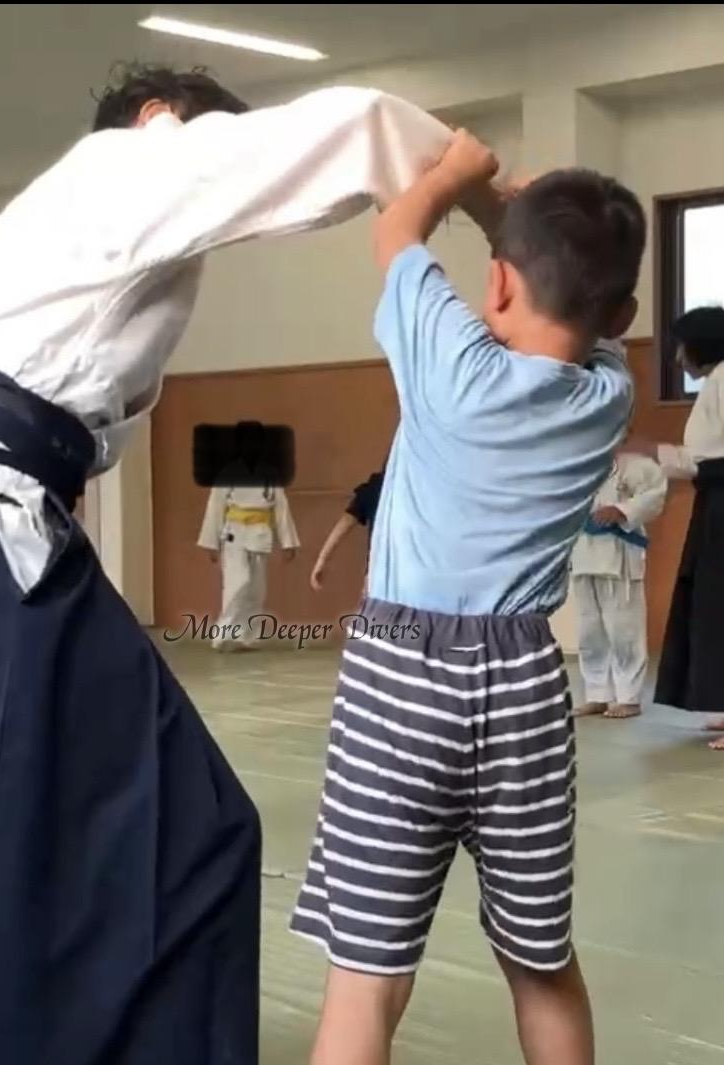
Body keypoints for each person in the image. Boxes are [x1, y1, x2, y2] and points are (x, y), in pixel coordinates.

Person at [0, 65, 457, 1065]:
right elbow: (347, 129)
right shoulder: (124, 166)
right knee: (189, 832)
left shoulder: (28, 247)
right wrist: (472, 180)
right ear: (158, 119)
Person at [291, 136, 645, 1065]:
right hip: (525, 682)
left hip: (399, 679)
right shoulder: (608, 394)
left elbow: (398, 231)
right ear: (623, 313)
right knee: (540, 958)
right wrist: (503, 212)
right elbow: (564, 302)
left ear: (494, 284)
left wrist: (457, 175)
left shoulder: (451, 364)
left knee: (367, 976)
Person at [625, 306, 724, 749]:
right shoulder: (717, 381)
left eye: (683, 347)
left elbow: (705, 460)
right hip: (715, 502)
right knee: (711, 604)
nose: (679, 358)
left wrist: (655, 451)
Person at [571, 449, 666, 719]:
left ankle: (629, 697)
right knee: (589, 631)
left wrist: (623, 510)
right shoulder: (578, 463)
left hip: (619, 557)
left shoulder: (637, 465)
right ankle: (596, 694)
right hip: (582, 553)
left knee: (624, 630)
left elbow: (655, 495)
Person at [197, 421, 299, 650]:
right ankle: (223, 635)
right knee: (237, 582)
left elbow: (281, 509)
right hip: (234, 533)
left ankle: (247, 637)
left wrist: (288, 543)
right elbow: (215, 508)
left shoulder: (270, 474)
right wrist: (211, 543)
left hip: (260, 534)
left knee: (256, 588)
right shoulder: (228, 473)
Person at [310, 468, 386, 591]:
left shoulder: (378, 485)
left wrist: (322, 560)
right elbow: (347, 519)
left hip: (378, 579)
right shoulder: (381, 486)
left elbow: (347, 520)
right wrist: (322, 560)